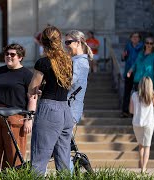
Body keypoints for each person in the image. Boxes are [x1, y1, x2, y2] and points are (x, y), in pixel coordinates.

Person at [28, 25, 73, 175]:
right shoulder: (68, 61)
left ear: (42, 42)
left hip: (49, 109)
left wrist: (37, 90)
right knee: (64, 160)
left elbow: (32, 88)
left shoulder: (43, 62)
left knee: (40, 158)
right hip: (65, 110)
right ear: (59, 41)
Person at [0, 43, 37, 170]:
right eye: (7, 54)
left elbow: (32, 98)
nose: (9, 56)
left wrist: (29, 119)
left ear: (20, 57)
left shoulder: (27, 75)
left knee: (14, 155)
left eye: (12, 54)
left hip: (16, 117)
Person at [65, 30, 92, 171]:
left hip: (70, 108)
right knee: (63, 146)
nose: (66, 45)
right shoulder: (77, 60)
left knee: (63, 147)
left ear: (78, 42)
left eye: (69, 42)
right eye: (65, 42)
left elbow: (69, 83)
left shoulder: (80, 62)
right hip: (70, 108)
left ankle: (69, 172)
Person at [129, 77, 154, 173]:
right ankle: (144, 168)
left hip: (137, 123)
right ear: (150, 86)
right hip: (148, 124)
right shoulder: (151, 96)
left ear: (140, 85)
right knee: (147, 146)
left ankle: (141, 164)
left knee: (141, 145)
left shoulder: (134, 95)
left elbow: (131, 111)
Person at [121, 32, 143, 118]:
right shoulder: (128, 46)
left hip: (138, 73)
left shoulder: (142, 47)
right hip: (128, 72)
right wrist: (123, 56)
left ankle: (137, 112)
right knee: (127, 92)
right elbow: (124, 58)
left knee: (139, 92)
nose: (135, 38)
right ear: (130, 38)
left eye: (137, 37)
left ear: (139, 38)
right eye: (133, 37)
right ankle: (125, 111)